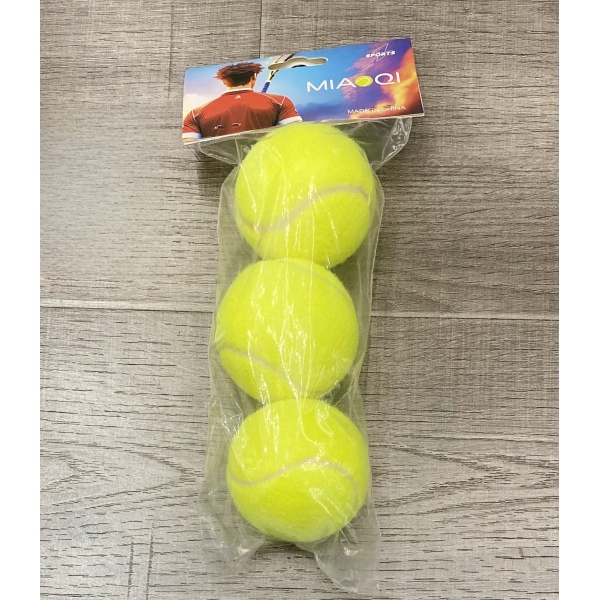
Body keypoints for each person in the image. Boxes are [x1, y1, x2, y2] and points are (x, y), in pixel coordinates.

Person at [182, 62, 302, 142]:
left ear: (223, 81)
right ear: (254, 77)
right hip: (265, 166)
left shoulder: (195, 113)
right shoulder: (280, 101)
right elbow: (296, 135)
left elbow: (189, 146)